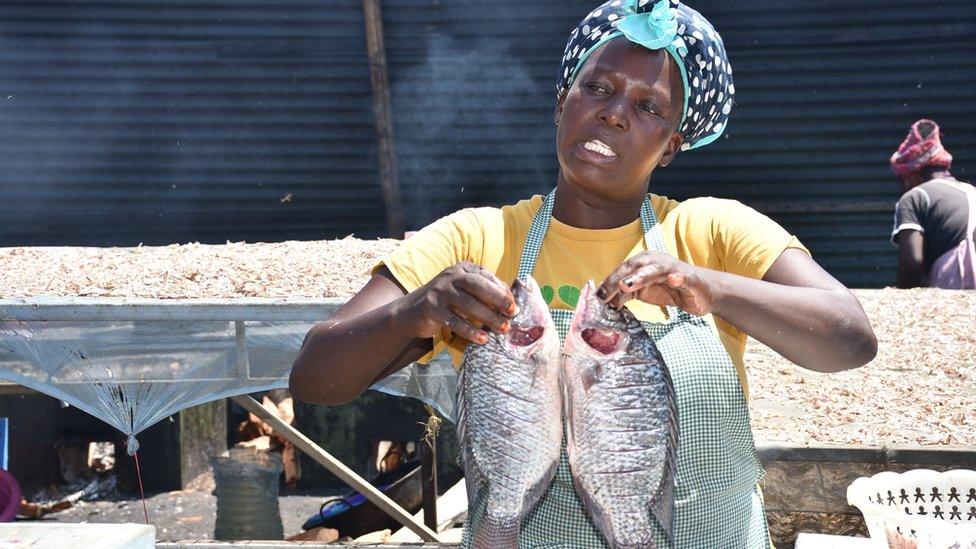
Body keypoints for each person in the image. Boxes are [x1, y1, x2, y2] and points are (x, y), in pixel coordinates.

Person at [290, 0, 877, 545]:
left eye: (648, 106)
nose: (615, 113)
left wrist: (712, 285)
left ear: (671, 146)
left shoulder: (713, 232)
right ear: (562, 104)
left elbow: (849, 339)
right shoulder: (479, 239)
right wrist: (413, 311)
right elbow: (316, 381)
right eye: (596, 87)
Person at [890, 119, 976, 289]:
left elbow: (912, 265)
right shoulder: (972, 190)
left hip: (953, 294)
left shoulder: (915, 197)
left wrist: (901, 298)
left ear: (910, 175)